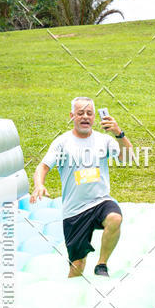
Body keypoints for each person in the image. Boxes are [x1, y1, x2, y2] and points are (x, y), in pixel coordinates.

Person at [30, 97, 132, 278]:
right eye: (80, 113)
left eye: (89, 113)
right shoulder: (62, 142)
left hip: (100, 201)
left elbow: (128, 157)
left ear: (94, 117)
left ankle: (101, 264)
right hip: (75, 211)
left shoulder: (104, 140)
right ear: (71, 116)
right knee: (77, 266)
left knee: (115, 218)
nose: (85, 117)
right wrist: (39, 184)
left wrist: (119, 134)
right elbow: (43, 167)